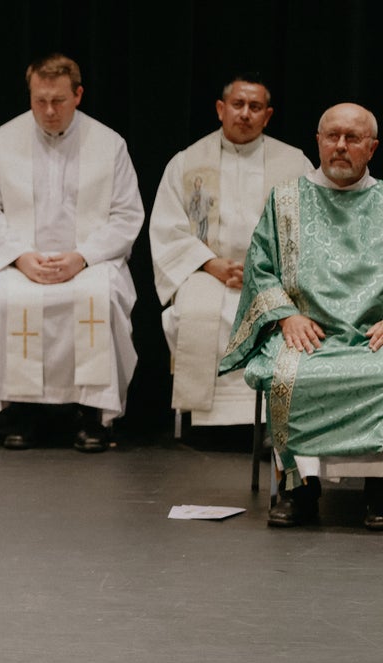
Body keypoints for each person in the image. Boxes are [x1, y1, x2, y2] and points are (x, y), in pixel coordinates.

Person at [0, 53, 144, 452]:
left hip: (86, 261)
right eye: (39, 100)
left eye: (58, 101)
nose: (47, 111)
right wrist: (20, 257)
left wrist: (81, 257)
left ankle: (92, 414)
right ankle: (17, 412)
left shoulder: (109, 144)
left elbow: (127, 214)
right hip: (19, 260)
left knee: (101, 295)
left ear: (78, 95)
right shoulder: (0, 142)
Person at [220, 102, 383, 530]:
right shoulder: (286, 200)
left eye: (353, 138)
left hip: (372, 336)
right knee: (291, 375)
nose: (341, 146)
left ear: (373, 147)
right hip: (306, 332)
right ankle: (299, 490)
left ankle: (379, 490)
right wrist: (286, 316)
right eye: (332, 137)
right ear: (318, 142)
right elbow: (260, 269)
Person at [150, 76, 312, 428]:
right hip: (210, 273)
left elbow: (312, 225)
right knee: (194, 313)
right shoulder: (187, 162)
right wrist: (211, 264)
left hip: (274, 276)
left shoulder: (294, 163)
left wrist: (263, 269)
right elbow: (167, 227)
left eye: (255, 107)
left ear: (267, 116)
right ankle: (208, 417)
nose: (245, 114)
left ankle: (274, 418)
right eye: (237, 105)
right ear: (221, 109)